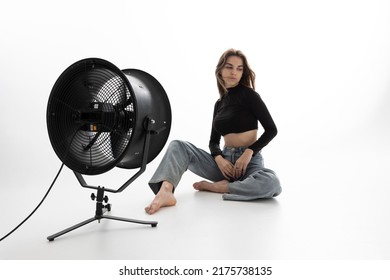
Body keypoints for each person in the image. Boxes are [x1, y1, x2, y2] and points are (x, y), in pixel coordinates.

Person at [145, 48, 282, 214]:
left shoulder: (250, 96)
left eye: (239, 69)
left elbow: (271, 130)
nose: (234, 72)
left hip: (249, 165)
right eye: (229, 67)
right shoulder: (219, 104)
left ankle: (223, 187)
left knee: (272, 183)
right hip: (224, 164)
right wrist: (219, 159)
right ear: (221, 71)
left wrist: (249, 152)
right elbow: (213, 141)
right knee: (178, 146)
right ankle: (165, 191)